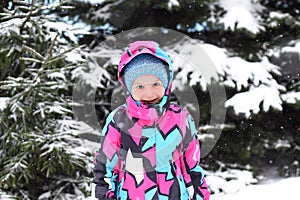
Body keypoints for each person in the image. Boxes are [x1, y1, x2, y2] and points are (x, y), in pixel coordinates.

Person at [93, 40, 210, 200]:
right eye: (140, 87)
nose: (149, 93)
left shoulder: (181, 118)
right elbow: (106, 163)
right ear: (128, 88)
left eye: (156, 84)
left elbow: (191, 163)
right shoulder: (119, 120)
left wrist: (199, 193)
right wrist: (105, 194)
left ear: (166, 83)